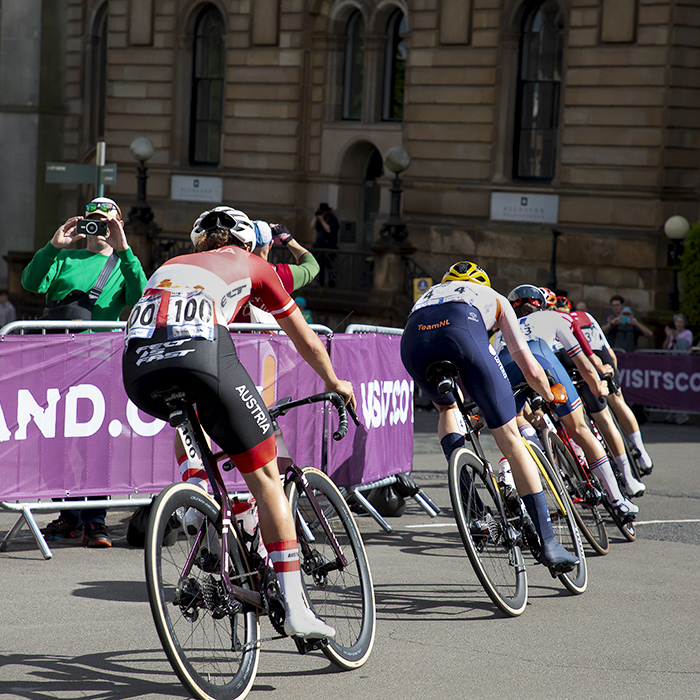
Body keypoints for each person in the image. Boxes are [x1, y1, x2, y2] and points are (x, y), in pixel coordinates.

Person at [122, 205, 355, 640]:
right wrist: (335, 381)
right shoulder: (254, 264)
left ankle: (198, 497)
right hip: (202, 355)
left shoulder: (170, 264)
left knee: (189, 416)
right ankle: (296, 608)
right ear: (247, 242)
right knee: (266, 474)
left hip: (137, 370)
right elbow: (306, 339)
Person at [400, 261, 579, 573]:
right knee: (511, 440)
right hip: (461, 330)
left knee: (447, 408)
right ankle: (548, 541)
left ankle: (465, 486)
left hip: (414, 341)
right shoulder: (494, 297)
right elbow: (529, 367)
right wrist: (549, 395)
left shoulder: (428, 294)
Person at [23, 196, 148, 548]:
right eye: (94, 221)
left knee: (95, 444)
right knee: (51, 441)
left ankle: (95, 519)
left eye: (108, 223)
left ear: (118, 226)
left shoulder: (123, 263)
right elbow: (32, 283)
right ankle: (68, 514)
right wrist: (52, 246)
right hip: (54, 360)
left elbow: (140, 294)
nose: (100, 229)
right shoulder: (65, 255)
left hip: (97, 364)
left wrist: (125, 250)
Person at [495, 285, 639, 520]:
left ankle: (532, 446)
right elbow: (581, 362)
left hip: (509, 365)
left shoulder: (501, 331)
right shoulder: (555, 317)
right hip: (542, 359)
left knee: (520, 418)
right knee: (580, 429)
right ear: (540, 303)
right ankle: (618, 500)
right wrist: (597, 387)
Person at [564, 298, 654, 473]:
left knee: (608, 409)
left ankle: (635, 453)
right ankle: (641, 452)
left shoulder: (558, 322)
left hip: (586, 361)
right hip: (600, 358)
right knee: (618, 402)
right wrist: (614, 373)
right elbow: (609, 351)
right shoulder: (586, 316)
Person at [310, 202, 339, 287]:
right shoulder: (319, 220)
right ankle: (320, 284)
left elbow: (329, 230)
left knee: (331, 268)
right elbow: (312, 226)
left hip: (330, 248)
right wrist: (316, 217)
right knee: (320, 267)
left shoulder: (333, 220)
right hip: (319, 247)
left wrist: (322, 220)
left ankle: (331, 285)